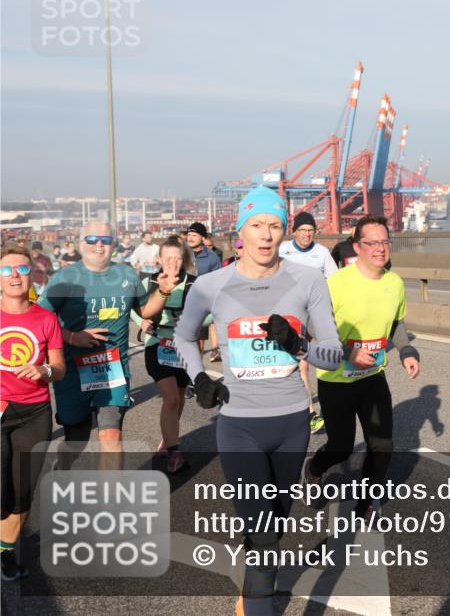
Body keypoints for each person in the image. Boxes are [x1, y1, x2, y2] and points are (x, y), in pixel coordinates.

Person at [174, 186, 344, 616]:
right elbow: (182, 335)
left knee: (273, 526)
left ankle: (251, 583)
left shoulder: (307, 280)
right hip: (239, 422)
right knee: (265, 531)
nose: (266, 235)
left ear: (284, 231)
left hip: (291, 422)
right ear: (240, 233)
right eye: (257, 225)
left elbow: (333, 352)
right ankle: (258, 605)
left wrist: (299, 345)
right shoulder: (212, 285)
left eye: (275, 225)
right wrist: (199, 379)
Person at [39, 222, 180, 472]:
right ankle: (63, 466)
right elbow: (39, 322)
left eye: (105, 240)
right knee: (76, 441)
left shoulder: (126, 275)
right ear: (81, 244)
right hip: (73, 373)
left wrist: (164, 291)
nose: (99, 245)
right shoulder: (64, 279)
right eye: (92, 239)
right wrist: (72, 337)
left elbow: (144, 310)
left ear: (114, 245)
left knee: (111, 435)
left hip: (112, 370)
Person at [305, 215, 420, 520]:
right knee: (341, 447)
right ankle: (315, 468)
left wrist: (406, 350)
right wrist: (347, 352)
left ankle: (367, 502)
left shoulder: (394, 283)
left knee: (382, 445)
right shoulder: (336, 283)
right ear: (358, 246)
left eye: (385, 242)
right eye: (373, 243)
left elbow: (397, 322)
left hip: (372, 377)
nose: (380, 249)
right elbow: (313, 328)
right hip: (336, 380)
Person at [0, 245, 65, 582]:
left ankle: (5, 551)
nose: (14, 275)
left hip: (34, 413)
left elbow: (60, 369)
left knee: (22, 491)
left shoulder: (46, 318)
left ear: (32, 275)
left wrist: (44, 371)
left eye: (22, 270)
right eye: (7, 270)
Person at [132, 236, 200, 474]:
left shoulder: (194, 283)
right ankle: (174, 453)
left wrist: (195, 323)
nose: (172, 263)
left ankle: (168, 440)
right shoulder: (149, 281)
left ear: (184, 260)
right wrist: (142, 322)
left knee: (180, 397)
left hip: (183, 347)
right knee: (170, 397)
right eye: (168, 258)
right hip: (157, 344)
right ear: (159, 259)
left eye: (177, 258)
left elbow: (209, 313)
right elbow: (134, 308)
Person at [278, 212, 336, 434]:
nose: (307, 235)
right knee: (288, 363)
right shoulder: (282, 249)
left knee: (304, 362)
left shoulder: (322, 253)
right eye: (303, 230)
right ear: (294, 232)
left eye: (311, 231)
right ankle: (294, 408)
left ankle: (310, 412)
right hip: (286, 314)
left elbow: (333, 279)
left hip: (311, 313)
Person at [186, 222, 221, 360]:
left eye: (194, 235)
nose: (190, 238)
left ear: (202, 238)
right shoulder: (181, 254)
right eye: (189, 234)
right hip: (180, 303)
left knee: (198, 341)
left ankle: (196, 375)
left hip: (200, 304)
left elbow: (217, 280)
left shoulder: (211, 257)